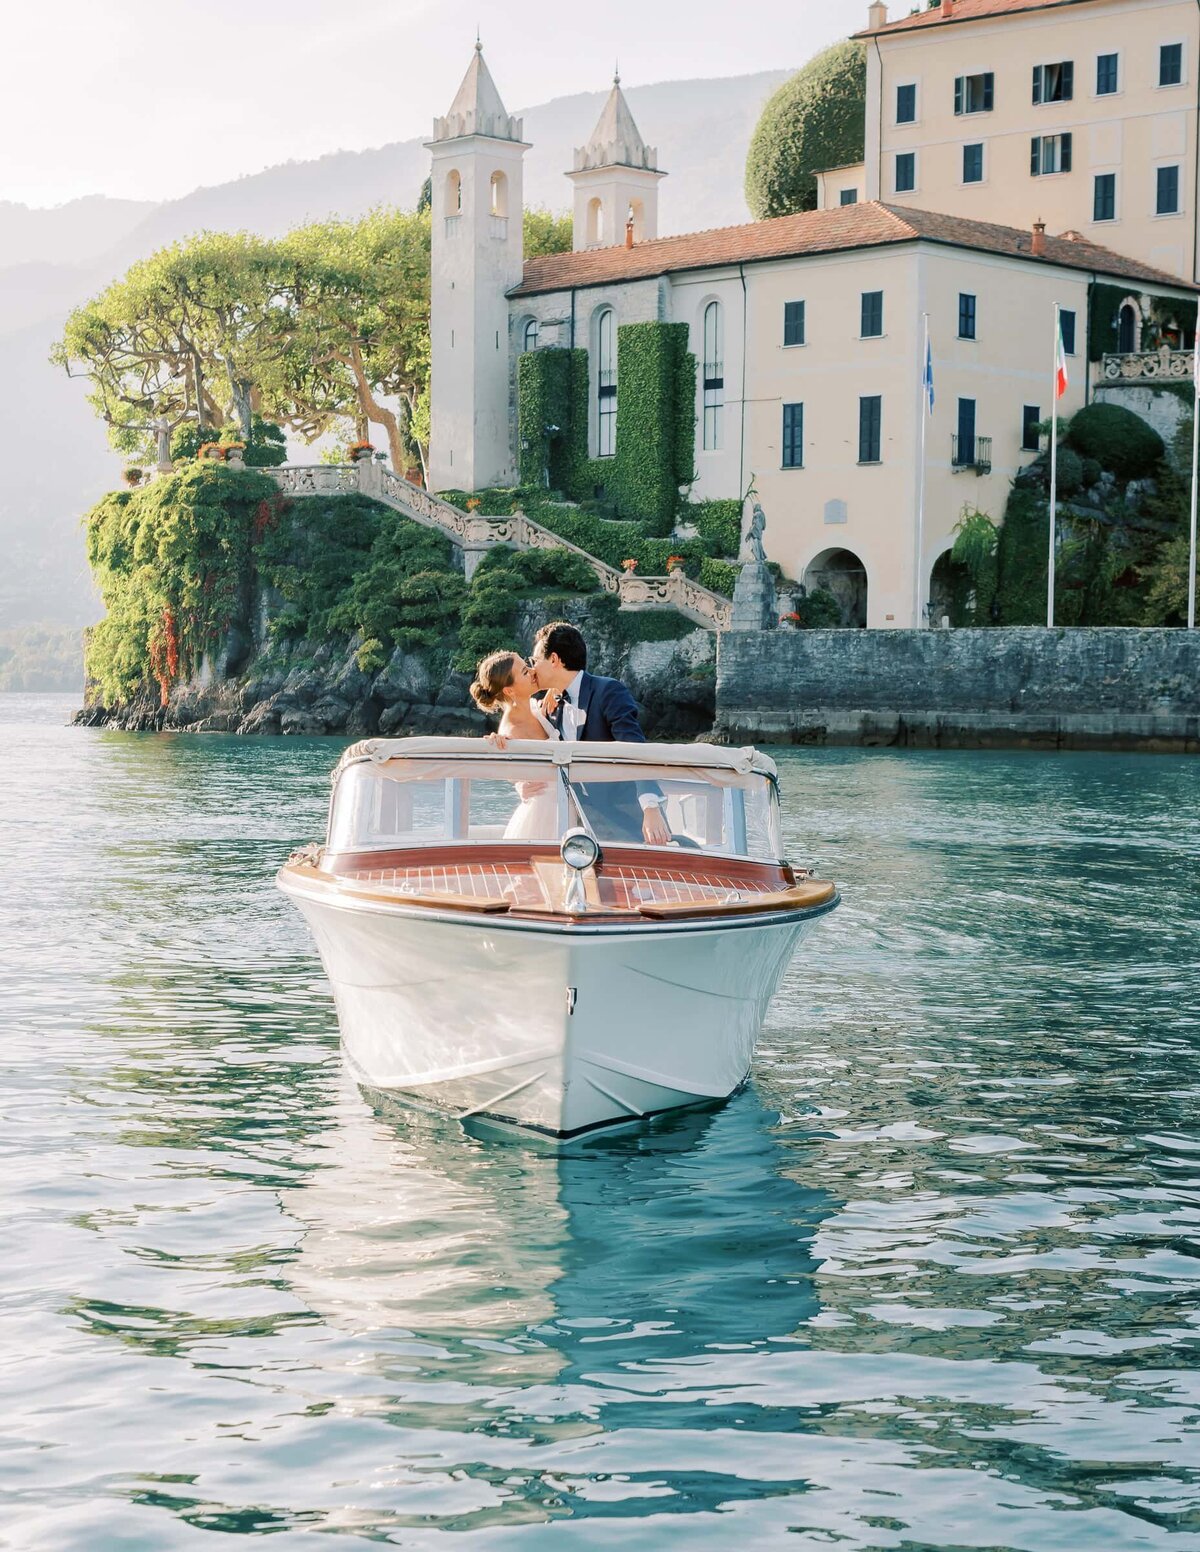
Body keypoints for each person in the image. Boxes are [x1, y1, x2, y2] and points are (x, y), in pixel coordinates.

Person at [529, 621, 671, 846]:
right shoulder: (548, 704)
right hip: (581, 823)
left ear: (554, 659)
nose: (533, 668)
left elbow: (634, 746)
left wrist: (651, 807)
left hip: (628, 816)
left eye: (535, 661)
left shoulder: (608, 691)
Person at [468, 650, 561, 841]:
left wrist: (554, 688)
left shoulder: (536, 707)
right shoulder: (509, 732)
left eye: (527, 665)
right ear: (509, 690)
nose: (533, 671)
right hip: (543, 816)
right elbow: (512, 773)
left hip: (563, 807)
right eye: (525, 672)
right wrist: (518, 782)